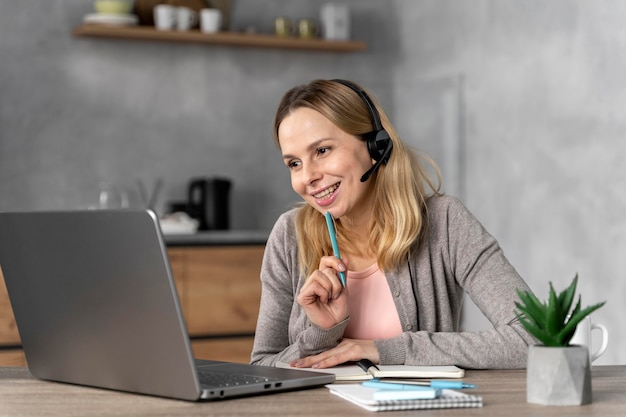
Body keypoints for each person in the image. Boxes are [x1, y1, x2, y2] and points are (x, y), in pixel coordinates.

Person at [250, 79, 536, 370]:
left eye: (322, 151)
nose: (307, 177)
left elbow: (535, 338)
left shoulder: (445, 222)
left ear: (376, 145)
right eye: (294, 164)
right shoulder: (289, 235)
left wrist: (386, 350)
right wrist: (321, 334)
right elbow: (261, 367)